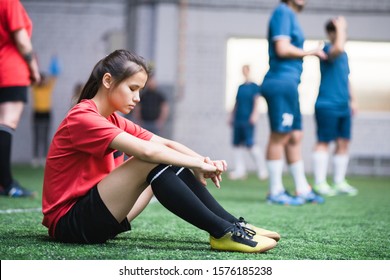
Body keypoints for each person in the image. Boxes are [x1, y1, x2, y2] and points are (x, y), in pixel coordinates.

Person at [42, 49, 280, 253]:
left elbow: (164, 143)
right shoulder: (83, 117)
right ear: (107, 81)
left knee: (165, 158)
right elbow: (148, 152)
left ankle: (231, 224)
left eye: (140, 91)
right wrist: (195, 165)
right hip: (71, 224)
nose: (137, 98)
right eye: (132, 88)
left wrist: (200, 160)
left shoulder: (113, 119)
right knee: (150, 159)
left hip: (100, 217)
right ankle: (222, 232)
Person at [260, 0, 327, 205]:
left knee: (295, 135)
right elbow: (282, 48)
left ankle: (301, 188)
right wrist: (311, 52)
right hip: (280, 81)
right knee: (279, 135)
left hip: (290, 84)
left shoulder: (291, 15)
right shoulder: (282, 12)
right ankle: (275, 191)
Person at [312, 17, 358, 196]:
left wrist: (353, 100)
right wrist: (341, 27)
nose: (342, 35)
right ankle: (319, 183)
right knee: (323, 142)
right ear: (332, 33)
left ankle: (339, 182)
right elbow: (338, 47)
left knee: (343, 142)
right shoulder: (326, 49)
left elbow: (346, 79)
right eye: (339, 31)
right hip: (327, 104)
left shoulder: (344, 55)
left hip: (343, 105)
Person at [0, 0, 40, 197]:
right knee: (6, 123)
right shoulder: (9, 2)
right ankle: (6, 183)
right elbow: (22, 41)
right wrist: (33, 69)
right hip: (10, 71)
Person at [228, 65, 268, 181]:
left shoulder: (254, 87)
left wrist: (255, 115)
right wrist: (231, 116)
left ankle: (262, 170)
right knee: (237, 144)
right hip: (238, 119)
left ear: (249, 71)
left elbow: (257, 101)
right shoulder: (240, 87)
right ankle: (240, 170)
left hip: (248, 119)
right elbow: (236, 103)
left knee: (250, 144)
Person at [31, 56, 61, 167]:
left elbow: (54, 77)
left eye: (43, 79)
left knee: (45, 137)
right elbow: (32, 78)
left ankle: (44, 157)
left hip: (46, 113)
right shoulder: (35, 87)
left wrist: (54, 61)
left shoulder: (48, 87)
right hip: (37, 113)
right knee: (37, 136)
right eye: (41, 79)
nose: (42, 80)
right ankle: (35, 158)